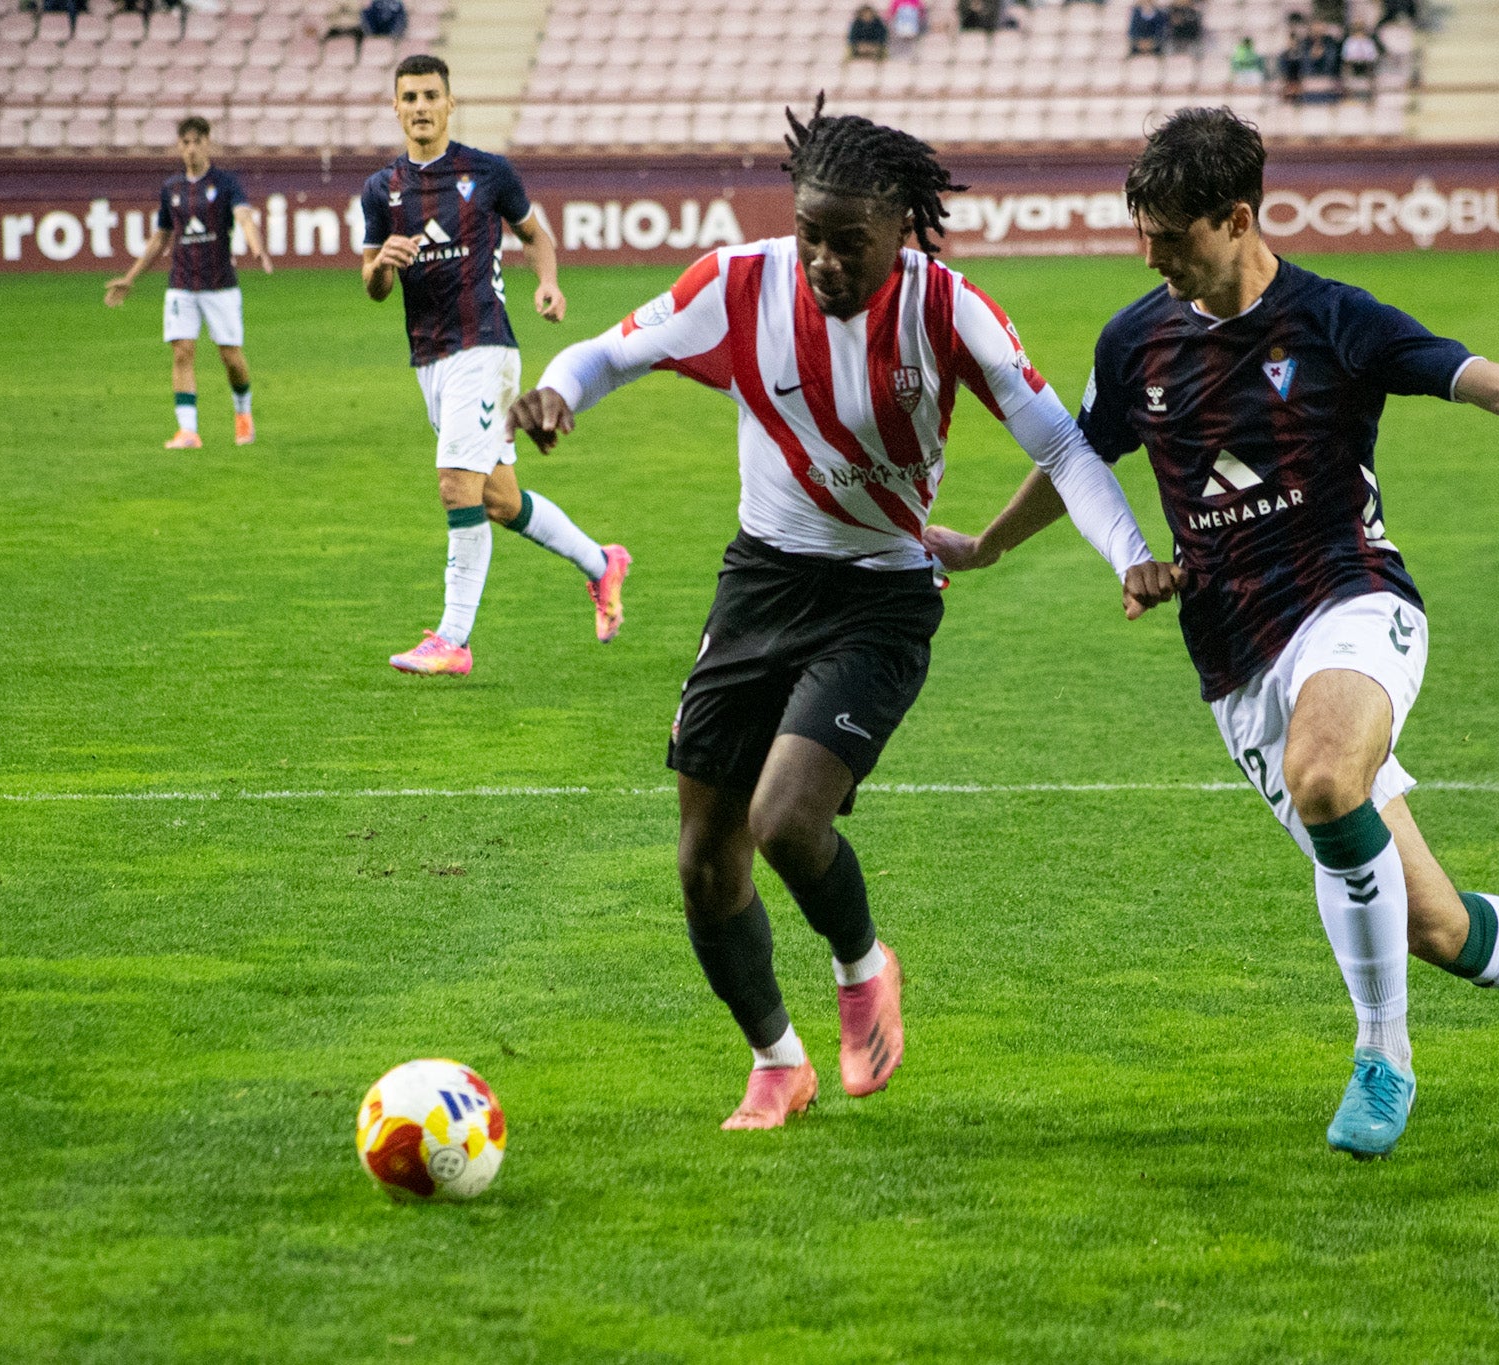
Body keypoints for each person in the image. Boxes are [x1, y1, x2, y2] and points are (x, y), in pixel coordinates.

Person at [926, 108, 1499, 1161]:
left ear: (1236, 218)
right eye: (1137, 230)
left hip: (1352, 600)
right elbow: (1076, 458)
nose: (1145, 255)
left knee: (1325, 777)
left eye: (1167, 235)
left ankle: (1382, 1055)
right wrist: (985, 547)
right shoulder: (1133, 341)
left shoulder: (1334, 320)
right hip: (1234, 658)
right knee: (1434, 929)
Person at [507, 98, 1174, 1132]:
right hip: (758, 585)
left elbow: (1064, 447)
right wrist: (556, 395)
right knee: (702, 857)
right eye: (809, 231)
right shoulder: (736, 283)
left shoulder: (950, 311)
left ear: (901, 228)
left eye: (846, 242)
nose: (821, 257)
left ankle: (862, 968)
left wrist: (1129, 555)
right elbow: (601, 353)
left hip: (881, 594)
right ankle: (777, 1061)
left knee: (784, 819)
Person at [358, 54, 629, 677]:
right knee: (499, 501)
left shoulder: (488, 172)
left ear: (451, 104)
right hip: (428, 357)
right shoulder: (381, 190)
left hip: (485, 347)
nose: (421, 106)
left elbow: (536, 235)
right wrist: (382, 268)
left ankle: (453, 639)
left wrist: (548, 286)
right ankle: (602, 562)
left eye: (431, 95)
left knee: (456, 485)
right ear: (395, 107)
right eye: (410, 97)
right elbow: (371, 286)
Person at [104, 115, 271, 450]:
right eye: (186, 143)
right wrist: (131, 278)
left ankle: (243, 413)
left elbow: (243, 217)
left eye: (197, 141)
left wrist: (257, 248)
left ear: (208, 143)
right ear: (179, 147)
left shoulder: (225, 184)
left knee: (231, 357)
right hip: (181, 283)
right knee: (182, 351)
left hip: (220, 283)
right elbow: (161, 238)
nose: (191, 148)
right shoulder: (172, 189)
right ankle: (188, 431)